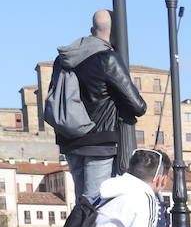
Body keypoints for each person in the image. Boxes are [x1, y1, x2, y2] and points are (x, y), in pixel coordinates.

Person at [51, 10, 146, 203]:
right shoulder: (107, 58)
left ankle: (79, 224)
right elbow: (138, 106)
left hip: (70, 140)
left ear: (92, 30)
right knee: (95, 202)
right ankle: (87, 224)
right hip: (99, 142)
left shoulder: (64, 59)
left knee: (82, 201)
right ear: (116, 32)